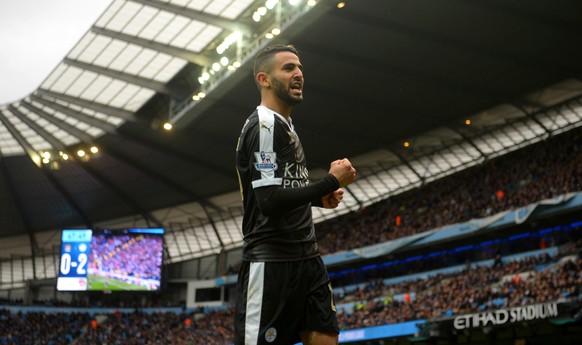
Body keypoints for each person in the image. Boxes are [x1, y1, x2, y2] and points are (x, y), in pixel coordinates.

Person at [234, 44, 357, 345]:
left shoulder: (286, 125)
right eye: (288, 68)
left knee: (326, 339)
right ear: (264, 79)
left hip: (308, 260)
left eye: (300, 67)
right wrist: (329, 182)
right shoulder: (264, 126)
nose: (299, 73)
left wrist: (317, 198)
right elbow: (268, 202)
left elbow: (281, 187)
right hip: (271, 264)